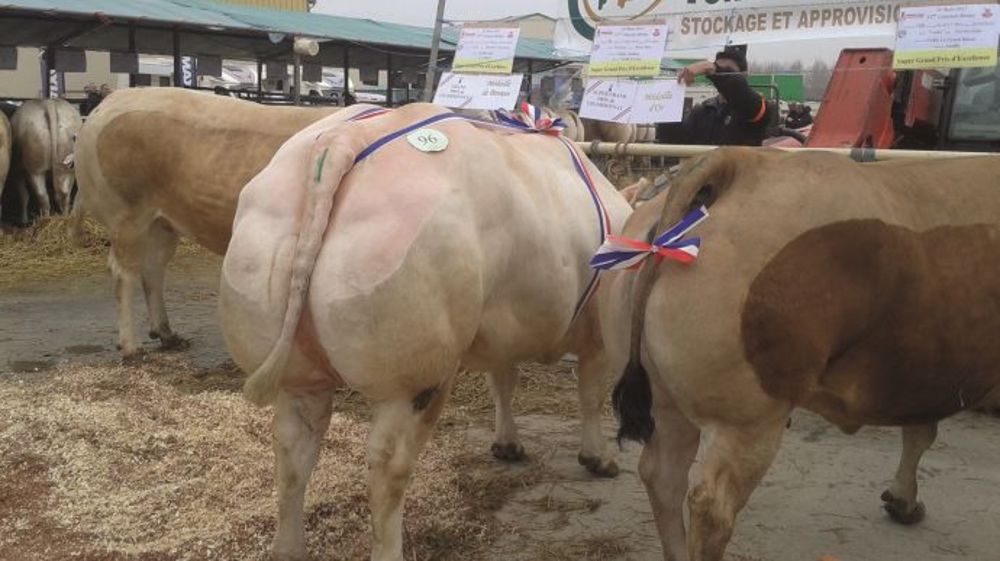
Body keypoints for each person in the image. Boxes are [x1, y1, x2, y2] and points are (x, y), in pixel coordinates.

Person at [661, 45, 774, 146]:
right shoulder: (702, 111)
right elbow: (672, 137)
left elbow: (739, 91)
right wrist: (666, 99)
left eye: (727, 71)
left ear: (744, 75)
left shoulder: (755, 108)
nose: (720, 74)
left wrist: (712, 68)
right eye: (719, 69)